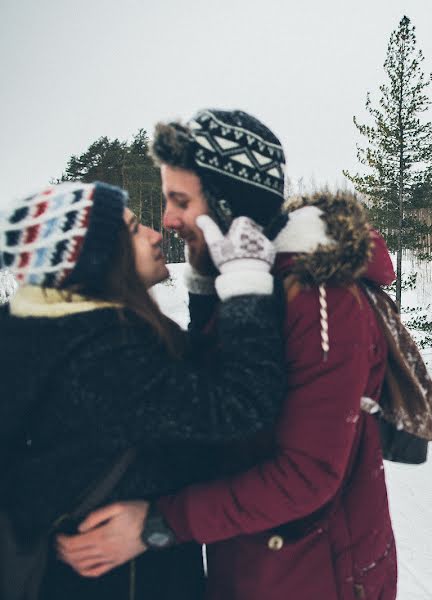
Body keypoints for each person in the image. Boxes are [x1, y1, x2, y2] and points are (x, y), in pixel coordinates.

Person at [59, 109, 399, 600]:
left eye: (180, 201)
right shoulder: (244, 285)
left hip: (315, 578)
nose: (168, 220)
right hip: (248, 564)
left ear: (229, 205)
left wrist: (154, 525)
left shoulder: (320, 297)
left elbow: (308, 475)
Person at [0, 180, 285, 600]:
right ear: (98, 261)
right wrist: (245, 284)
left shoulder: (45, 333)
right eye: (134, 229)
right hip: (129, 583)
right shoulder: (104, 357)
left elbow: (183, 388)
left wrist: (205, 286)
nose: (155, 233)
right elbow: (240, 407)